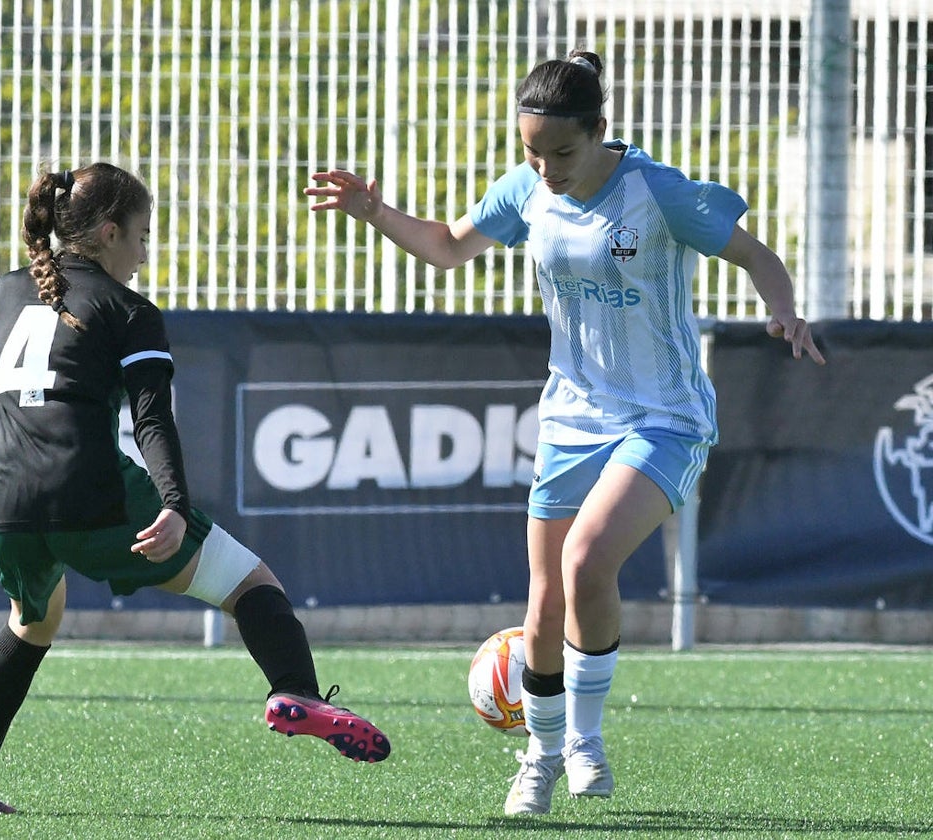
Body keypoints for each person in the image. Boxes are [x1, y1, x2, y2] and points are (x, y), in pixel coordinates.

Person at [306, 49, 824, 817]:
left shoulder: (657, 194)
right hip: (572, 418)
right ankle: (542, 756)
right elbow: (449, 248)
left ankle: (585, 738)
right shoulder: (529, 191)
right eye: (531, 152)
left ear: (600, 132)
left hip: (664, 417)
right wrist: (373, 211)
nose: (545, 169)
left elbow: (755, 254)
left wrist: (783, 307)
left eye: (562, 152)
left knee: (587, 560)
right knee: (544, 605)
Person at [0, 162, 390, 815]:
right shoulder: (127, 310)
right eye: (142, 236)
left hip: (0, 505)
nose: (144, 255)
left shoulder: (2, 290)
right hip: (91, 496)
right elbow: (151, 420)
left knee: (32, 623)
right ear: (110, 232)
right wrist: (173, 504)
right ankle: (296, 691)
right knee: (251, 584)